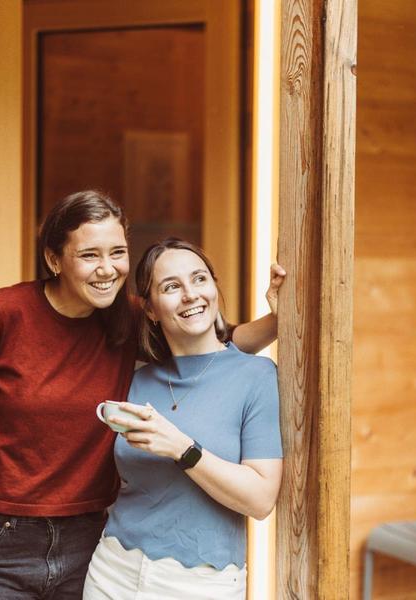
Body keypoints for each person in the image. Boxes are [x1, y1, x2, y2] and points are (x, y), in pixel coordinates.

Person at [0, 190, 285, 599]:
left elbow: (216, 340)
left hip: (87, 539)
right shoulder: (3, 314)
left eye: (117, 252)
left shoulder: (128, 318)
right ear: (54, 260)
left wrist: (280, 317)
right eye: (89, 255)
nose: (107, 269)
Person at [83, 238, 283, 600]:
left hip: (199, 584)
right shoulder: (140, 379)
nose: (190, 294)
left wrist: (182, 448)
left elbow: (261, 499)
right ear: (151, 310)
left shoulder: (257, 377)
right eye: (171, 287)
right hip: (111, 572)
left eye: (200, 279)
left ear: (214, 288)